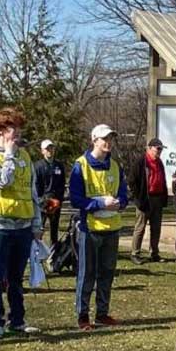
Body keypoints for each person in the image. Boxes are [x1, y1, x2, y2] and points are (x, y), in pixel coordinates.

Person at [0, 107, 44, 339]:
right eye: (12, 127)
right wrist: (8, 154)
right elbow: (3, 181)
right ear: (0, 130)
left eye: (19, 127)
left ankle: (17, 320)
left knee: (16, 278)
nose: (17, 132)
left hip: (23, 226)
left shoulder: (25, 156)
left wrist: (37, 224)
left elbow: (32, 190)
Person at [69, 123, 128, 331]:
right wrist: (99, 204)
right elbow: (75, 199)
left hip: (112, 228)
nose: (108, 142)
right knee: (87, 273)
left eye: (110, 138)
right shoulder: (81, 165)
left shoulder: (115, 166)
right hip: (90, 229)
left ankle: (102, 313)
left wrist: (120, 202)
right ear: (94, 140)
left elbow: (124, 194)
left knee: (107, 272)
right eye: (104, 139)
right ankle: (83, 315)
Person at [130, 138, 168, 265]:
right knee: (140, 227)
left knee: (156, 228)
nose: (159, 151)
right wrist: (138, 198)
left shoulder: (159, 162)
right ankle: (135, 253)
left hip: (157, 198)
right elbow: (132, 181)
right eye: (158, 149)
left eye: (161, 149)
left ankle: (154, 253)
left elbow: (162, 180)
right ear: (150, 148)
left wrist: (163, 197)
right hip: (145, 199)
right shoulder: (141, 161)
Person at [34, 139, 66, 244]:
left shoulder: (59, 166)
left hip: (56, 203)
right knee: (39, 229)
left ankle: (54, 254)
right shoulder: (37, 166)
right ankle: (36, 254)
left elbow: (62, 184)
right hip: (42, 203)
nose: (50, 151)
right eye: (47, 149)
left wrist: (59, 199)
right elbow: (35, 185)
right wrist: (41, 201)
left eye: (51, 148)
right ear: (42, 151)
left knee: (54, 229)